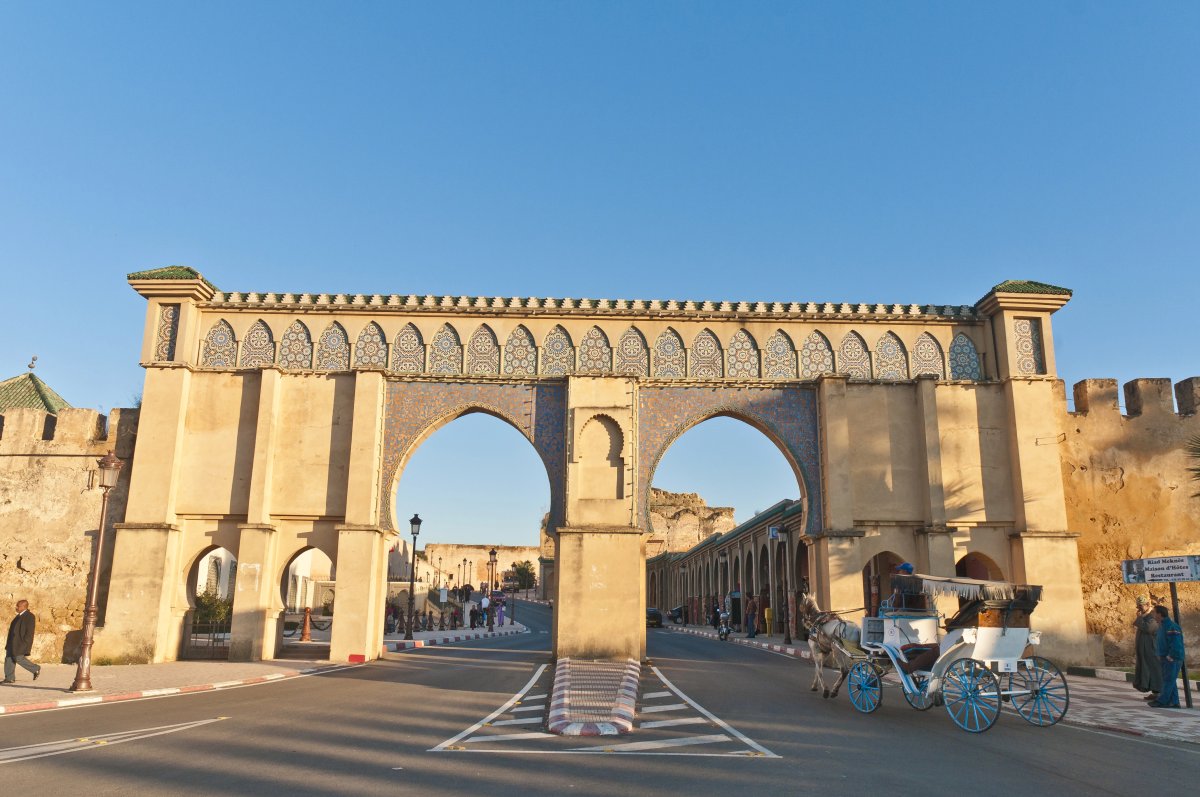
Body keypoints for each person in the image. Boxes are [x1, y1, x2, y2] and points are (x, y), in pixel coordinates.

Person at [1150, 605, 1185, 708]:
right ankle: (1175, 702)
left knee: (1168, 680)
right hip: (1164, 658)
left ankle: (1162, 701)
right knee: (1170, 680)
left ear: (1160, 614)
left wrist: (1171, 656)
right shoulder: (1162, 626)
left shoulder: (1171, 627)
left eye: (1154, 613)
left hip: (1172, 659)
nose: (1153, 615)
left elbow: (1176, 644)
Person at [1132, 595, 1162, 701]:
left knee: (1155, 670)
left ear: (1147, 605)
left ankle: (1159, 692)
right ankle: (1154, 692)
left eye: (1140, 606)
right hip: (1144, 650)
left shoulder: (1153, 615)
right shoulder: (1145, 615)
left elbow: (1149, 628)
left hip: (1152, 650)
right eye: (1138, 606)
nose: (1139, 608)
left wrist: (1139, 618)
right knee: (1147, 670)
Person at [4, 599, 41, 684]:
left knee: (18, 658)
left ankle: (35, 668)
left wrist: (26, 643)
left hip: (20, 643)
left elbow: (29, 632)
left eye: (18, 606)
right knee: (9, 658)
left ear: (24, 607)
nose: (16, 607)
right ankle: (9, 678)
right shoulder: (18, 616)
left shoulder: (30, 616)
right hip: (12, 642)